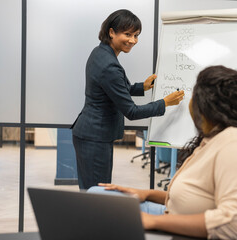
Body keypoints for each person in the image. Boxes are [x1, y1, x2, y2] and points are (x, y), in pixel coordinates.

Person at [95, 65, 237, 239]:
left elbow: (233, 224)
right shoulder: (215, 138)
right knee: (99, 195)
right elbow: (197, 197)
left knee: (100, 216)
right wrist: (146, 193)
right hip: (176, 214)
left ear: (208, 108)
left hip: (190, 230)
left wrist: (151, 221)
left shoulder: (235, 146)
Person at [71, 9, 185, 190]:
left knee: (93, 191)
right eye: (127, 34)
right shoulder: (110, 65)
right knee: (95, 194)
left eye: (136, 35)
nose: (133, 40)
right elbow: (131, 112)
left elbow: (113, 89)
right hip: (95, 136)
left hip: (90, 133)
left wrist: (143, 87)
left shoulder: (100, 53)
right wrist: (165, 103)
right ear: (111, 32)